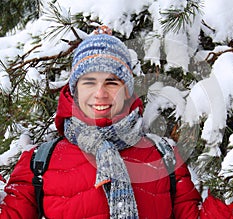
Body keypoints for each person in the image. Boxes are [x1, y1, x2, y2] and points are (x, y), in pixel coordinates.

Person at [0, 27, 202, 218]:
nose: (100, 94)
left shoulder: (164, 155)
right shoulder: (39, 162)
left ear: (127, 90)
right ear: (75, 90)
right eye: (89, 82)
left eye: (111, 82)